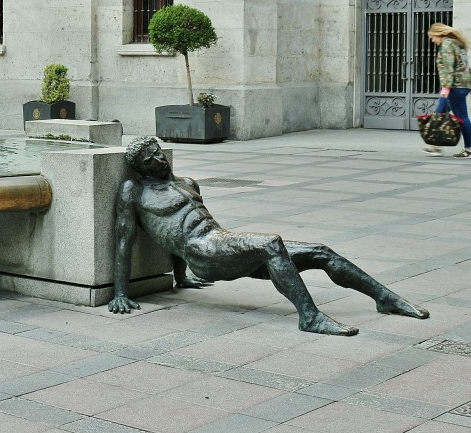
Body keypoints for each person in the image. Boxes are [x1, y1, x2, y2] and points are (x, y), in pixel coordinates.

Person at [109, 136, 429, 336]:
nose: (158, 160)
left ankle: (385, 299)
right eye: (149, 159)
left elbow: (174, 230)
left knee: (321, 251)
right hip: (202, 251)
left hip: (219, 244)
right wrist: (120, 293)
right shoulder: (135, 190)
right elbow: (127, 240)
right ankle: (310, 317)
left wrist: (181, 279)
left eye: (157, 152)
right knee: (270, 243)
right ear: (140, 169)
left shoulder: (188, 182)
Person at [424, 23, 471, 157]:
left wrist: (446, 87)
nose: (433, 40)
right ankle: (435, 145)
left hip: (455, 86)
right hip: (462, 84)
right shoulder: (456, 43)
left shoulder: (447, 44)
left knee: (462, 117)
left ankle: (469, 149)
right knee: (439, 113)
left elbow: (449, 67)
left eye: (433, 37)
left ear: (439, 34)